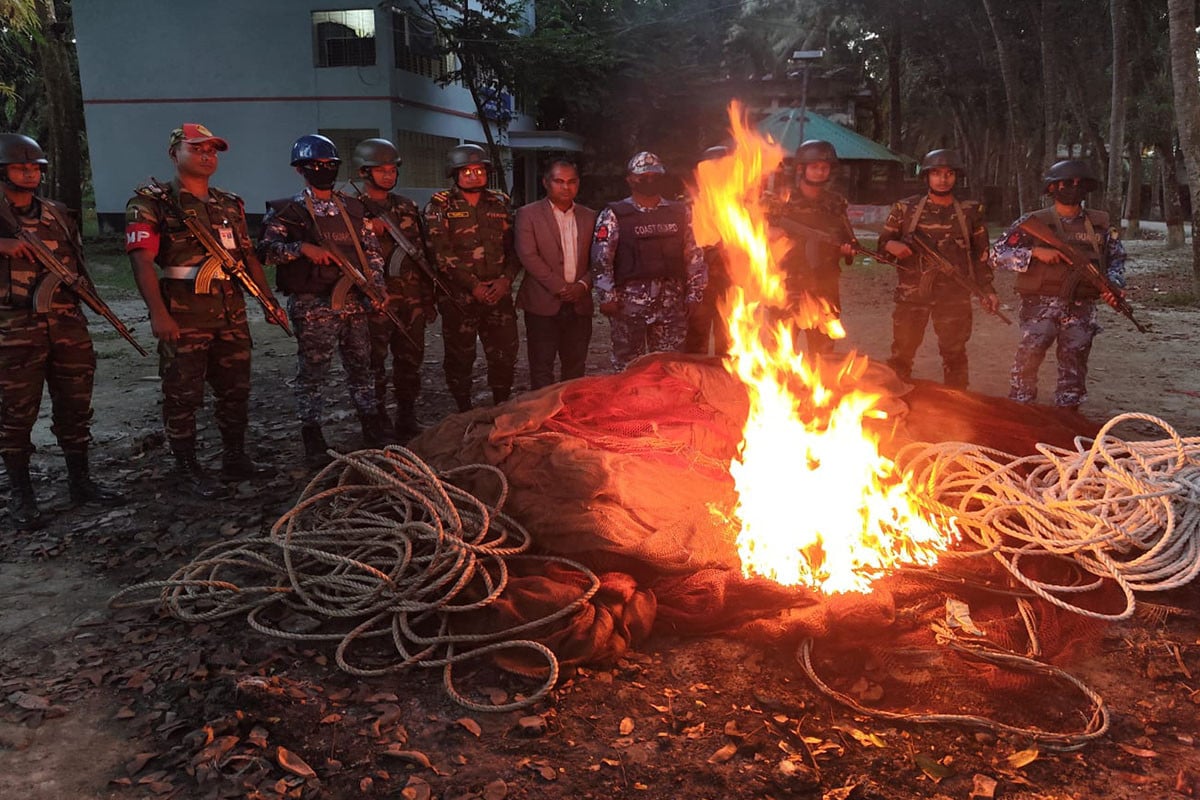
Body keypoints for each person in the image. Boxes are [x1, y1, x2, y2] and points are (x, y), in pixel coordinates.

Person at [126, 124, 279, 498]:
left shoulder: (229, 203)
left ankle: (234, 456)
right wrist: (159, 314)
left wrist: (268, 300)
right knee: (183, 393)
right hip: (184, 314)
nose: (207, 155)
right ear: (174, 154)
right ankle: (186, 466)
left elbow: (246, 256)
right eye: (197, 149)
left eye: (212, 150)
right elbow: (143, 262)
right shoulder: (151, 203)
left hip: (231, 312)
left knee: (235, 389)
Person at [0, 133, 123, 528]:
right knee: (16, 414)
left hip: (67, 323)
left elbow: (76, 262)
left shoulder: (55, 212)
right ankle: (22, 494)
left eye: (35, 167)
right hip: (13, 330)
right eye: (21, 167)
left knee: (75, 405)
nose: (30, 174)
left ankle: (81, 481)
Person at [257, 133, 392, 466]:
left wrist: (378, 288)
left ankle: (371, 424)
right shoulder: (288, 211)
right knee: (314, 372)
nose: (323, 170)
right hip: (313, 304)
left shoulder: (352, 207)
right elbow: (265, 251)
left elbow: (370, 252)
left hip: (355, 302)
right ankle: (312, 433)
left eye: (329, 165)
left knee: (362, 367)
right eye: (315, 166)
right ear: (300, 170)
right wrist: (302, 248)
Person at [990, 159, 1127, 411]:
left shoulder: (1101, 226)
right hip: (1039, 305)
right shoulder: (1034, 222)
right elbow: (997, 254)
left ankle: (1068, 412)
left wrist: (1113, 286)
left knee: (1075, 360)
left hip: (1081, 306)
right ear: (1053, 188)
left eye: (1079, 183)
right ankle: (1020, 408)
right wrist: (1033, 253)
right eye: (1066, 183)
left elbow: (1116, 261)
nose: (1073, 188)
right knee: (1029, 356)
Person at [878, 148, 998, 388]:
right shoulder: (905, 209)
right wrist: (893, 246)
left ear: (956, 176)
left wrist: (987, 289)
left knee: (954, 354)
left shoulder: (969, 210)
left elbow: (980, 255)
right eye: (937, 173)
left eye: (949, 173)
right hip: (912, 294)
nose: (943, 179)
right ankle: (895, 399)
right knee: (902, 353)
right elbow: (882, 246)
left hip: (954, 295)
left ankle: (957, 404)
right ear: (927, 176)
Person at [424, 144, 520, 411]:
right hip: (459, 299)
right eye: (466, 171)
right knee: (459, 357)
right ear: (454, 174)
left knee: (504, 353)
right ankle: (463, 409)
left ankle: (501, 403)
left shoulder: (500, 203)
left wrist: (505, 281)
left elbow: (515, 249)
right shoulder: (440, 205)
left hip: (498, 296)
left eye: (479, 170)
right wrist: (474, 286)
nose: (474, 175)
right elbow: (440, 255)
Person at [591, 151, 706, 370]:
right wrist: (606, 296)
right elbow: (601, 258)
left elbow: (694, 255)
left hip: (671, 304)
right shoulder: (614, 214)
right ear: (630, 179)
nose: (649, 179)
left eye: (654, 174)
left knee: (669, 366)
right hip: (628, 305)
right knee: (628, 366)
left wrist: (695, 294)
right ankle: (628, 405)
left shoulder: (680, 213)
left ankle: (665, 404)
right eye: (642, 175)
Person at [351, 138, 435, 437]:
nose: (388, 175)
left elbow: (421, 253)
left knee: (410, 360)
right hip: (373, 300)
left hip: (410, 298)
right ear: (364, 172)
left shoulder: (407, 206)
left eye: (392, 169)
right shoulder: (350, 208)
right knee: (373, 364)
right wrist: (365, 228)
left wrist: (428, 299)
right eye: (380, 170)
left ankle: (407, 416)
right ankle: (376, 420)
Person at [514, 159, 596, 389]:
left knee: (575, 367)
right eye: (559, 181)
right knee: (541, 367)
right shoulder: (527, 214)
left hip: (580, 304)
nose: (566, 187)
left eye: (571, 181)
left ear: (578, 183)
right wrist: (561, 288)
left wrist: (582, 285)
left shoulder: (590, 216)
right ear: (546, 182)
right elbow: (528, 256)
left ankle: (570, 415)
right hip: (542, 304)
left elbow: (600, 258)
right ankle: (543, 415)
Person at [771, 139, 856, 357]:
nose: (820, 172)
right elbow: (756, 234)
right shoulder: (781, 200)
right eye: (815, 167)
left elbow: (847, 238)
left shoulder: (835, 203)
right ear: (801, 168)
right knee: (781, 348)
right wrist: (779, 235)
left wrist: (847, 250)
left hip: (824, 284)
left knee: (823, 350)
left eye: (824, 168)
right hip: (787, 284)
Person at [684, 145, 732, 357]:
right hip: (699, 286)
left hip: (732, 284)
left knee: (731, 343)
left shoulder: (742, 207)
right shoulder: (689, 206)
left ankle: (725, 385)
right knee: (696, 341)